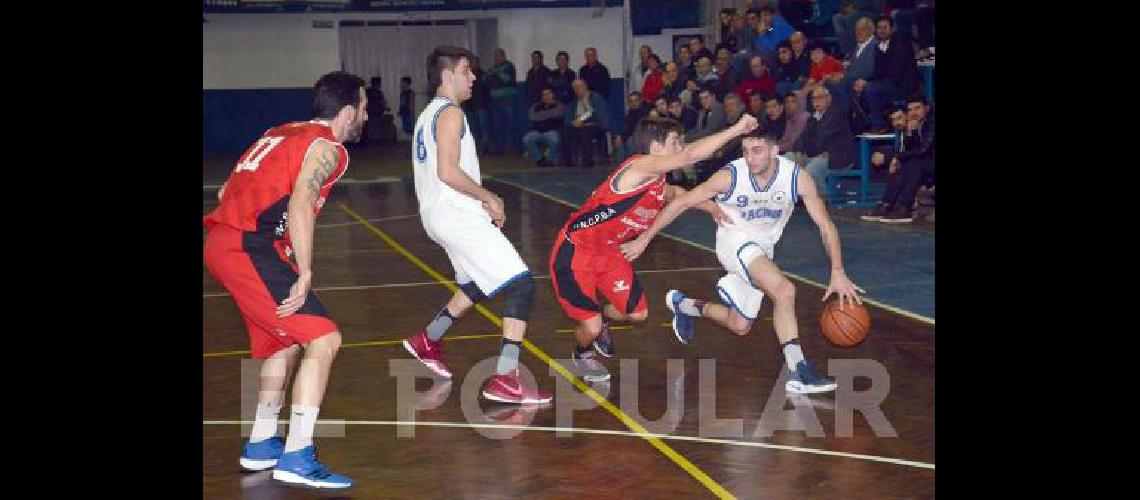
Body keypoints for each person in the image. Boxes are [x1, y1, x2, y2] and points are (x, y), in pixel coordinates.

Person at [203, 71, 368, 489]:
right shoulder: (329, 148)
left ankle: (261, 442)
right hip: (249, 248)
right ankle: (297, 454)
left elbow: (226, 191)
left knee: (286, 340)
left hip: (228, 242)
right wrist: (306, 272)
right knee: (324, 339)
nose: (365, 117)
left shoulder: (279, 132)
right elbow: (299, 204)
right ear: (347, 112)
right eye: (363, 108)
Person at [618, 131, 865, 394]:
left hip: (762, 250)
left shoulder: (796, 177)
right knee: (784, 291)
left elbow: (825, 226)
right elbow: (683, 201)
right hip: (733, 241)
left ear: (774, 151)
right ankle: (799, 371)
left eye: (757, 150)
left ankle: (684, 305)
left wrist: (837, 270)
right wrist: (644, 238)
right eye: (745, 151)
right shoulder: (730, 176)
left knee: (740, 325)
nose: (749, 157)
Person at [548, 114, 759, 381]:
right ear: (656, 147)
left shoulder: (657, 181)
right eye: (675, 142)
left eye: (681, 142)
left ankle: (603, 320)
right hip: (575, 252)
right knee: (589, 328)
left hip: (611, 251)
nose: (680, 148)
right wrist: (737, 128)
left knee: (637, 314)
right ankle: (582, 354)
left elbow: (680, 194)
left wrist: (713, 208)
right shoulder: (637, 168)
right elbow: (689, 157)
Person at [404, 46, 552, 404]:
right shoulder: (451, 113)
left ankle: (428, 339)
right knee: (521, 287)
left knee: (475, 284)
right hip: (456, 214)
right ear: (447, 75)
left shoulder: (427, 114)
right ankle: (505, 378)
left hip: (437, 215)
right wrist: (488, 197)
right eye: (467, 70)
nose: (473, 77)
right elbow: (448, 171)